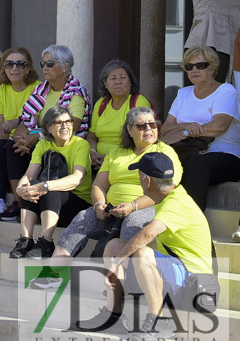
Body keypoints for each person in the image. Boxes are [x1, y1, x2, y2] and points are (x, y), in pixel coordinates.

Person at [34, 107, 183, 280]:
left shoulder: (165, 152)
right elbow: (99, 184)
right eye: (142, 126)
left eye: (153, 124)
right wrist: (99, 205)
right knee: (83, 217)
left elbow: (166, 189)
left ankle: (127, 281)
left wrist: (133, 206)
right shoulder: (116, 153)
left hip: (148, 210)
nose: (149, 129)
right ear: (129, 129)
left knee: (133, 222)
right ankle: (51, 273)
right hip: (111, 211)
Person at [96, 153, 213, 339]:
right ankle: (114, 317)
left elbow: (148, 234)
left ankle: (159, 323)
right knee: (114, 245)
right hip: (175, 270)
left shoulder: (176, 202)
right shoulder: (166, 196)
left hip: (194, 281)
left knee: (141, 253)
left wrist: (118, 262)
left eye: (139, 175)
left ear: (147, 180)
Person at [3, 44, 92, 222]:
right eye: (43, 63)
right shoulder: (42, 89)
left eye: (50, 64)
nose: (44, 67)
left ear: (66, 66)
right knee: (9, 147)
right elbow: (26, 119)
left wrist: (35, 138)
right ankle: (20, 203)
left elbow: (70, 128)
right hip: (41, 140)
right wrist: (20, 138)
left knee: (35, 149)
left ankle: (34, 203)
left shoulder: (76, 92)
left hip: (63, 143)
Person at [160, 46, 240, 210]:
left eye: (201, 65)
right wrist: (186, 125)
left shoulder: (225, 90)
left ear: (213, 68)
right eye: (189, 67)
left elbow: (220, 125)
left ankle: (193, 223)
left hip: (226, 156)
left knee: (196, 163)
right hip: (189, 153)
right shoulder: (183, 93)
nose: (194, 70)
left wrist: (184, 132)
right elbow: (165, 129)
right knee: (156, 161)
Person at [8, 106, 92, 260]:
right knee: (31, 184)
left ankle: (46, 242)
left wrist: (45, 186)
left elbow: (77, 179)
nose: (65, 126)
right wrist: (21, 190)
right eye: (58, 123)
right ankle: (26, 240)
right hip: (50, 206)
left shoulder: (81, 144)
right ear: (48, 127)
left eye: (68, 122)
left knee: (48, 187)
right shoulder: (43, 144)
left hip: (78, 205)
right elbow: (29, 174)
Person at [0, 46, 41, 220]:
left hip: (32, 138)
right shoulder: (2, 89)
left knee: (9, 146)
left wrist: (17, 122)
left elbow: (37, 120)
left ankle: (19, 204)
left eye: (20, 64)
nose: (14, 68)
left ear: (28, 68)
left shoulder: (37, 87)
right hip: (11, 141)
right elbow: (1, 128)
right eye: (9, 64)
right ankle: (0, 199)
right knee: (0, 145)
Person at [86, 60, 153, 170]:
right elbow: (91, 136)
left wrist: (109, 159)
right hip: (97, 163)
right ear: (105, 83)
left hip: (127, 163)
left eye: (122, 77)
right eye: (113, 78)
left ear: (130, 81)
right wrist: (93, 153)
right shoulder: (101, 104)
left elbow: (143, 140)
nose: (118, 82)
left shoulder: (138, 102)